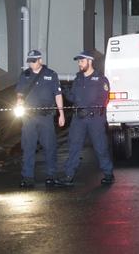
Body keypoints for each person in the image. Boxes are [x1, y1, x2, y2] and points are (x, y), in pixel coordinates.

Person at [56, 51, 114, 186]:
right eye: (78, 62)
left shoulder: (100, 79)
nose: (79, 64)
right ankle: (69, 175)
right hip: (79, 119)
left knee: (100, 147)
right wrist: (65, 91)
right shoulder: (78, 79)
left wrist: (89, 109)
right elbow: (74, 98)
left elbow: (103, 99)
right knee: (74, 147)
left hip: (95, 119)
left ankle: (108, 174)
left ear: (89, 61)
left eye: (81, 61)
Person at [15, 50, 65, 188]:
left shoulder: (51, 74)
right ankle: (28, 177)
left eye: (34, 61)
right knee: (28, 147)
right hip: (29, 116)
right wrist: (19, 101)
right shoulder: (25, 75)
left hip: (46, 116)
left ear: (40, 60)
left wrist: (61, 113)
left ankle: (51, 175)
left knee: (49, 146)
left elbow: (58, 95)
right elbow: (19, 92)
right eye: (30, 61)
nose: (31, 64)